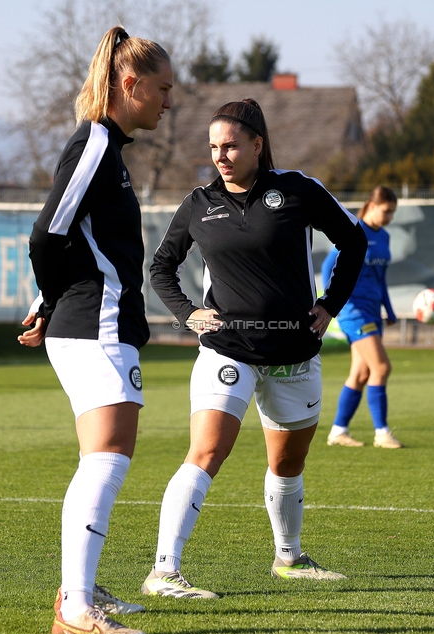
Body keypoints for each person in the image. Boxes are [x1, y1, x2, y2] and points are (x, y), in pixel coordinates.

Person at [144, 98, 367, 599]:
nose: (220, 156)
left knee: (288, 463)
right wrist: (188, 314)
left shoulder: (298, 190)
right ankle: (164, 571)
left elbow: (354, 242)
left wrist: (330, 305)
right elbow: (161, 267)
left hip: (294, 353)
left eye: (229, 146)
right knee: (206, 451)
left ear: (257, 145)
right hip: (227, 350)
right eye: (213, 148)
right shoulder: (199, 203)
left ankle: (288, 559)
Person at [17, 25, 173, 634]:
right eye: (162, 88)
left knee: (101, 457)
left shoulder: (112, 150)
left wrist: (44, 301)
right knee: (109, 457)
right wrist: (53, 300)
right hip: (95, 323)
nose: (168, 101)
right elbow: (47, 232)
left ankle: (79, 589)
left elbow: (75, 241)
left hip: (95, 321)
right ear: (129, 84)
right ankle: (76, 607)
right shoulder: (95, 145)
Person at [322, 186, 403, 449]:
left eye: (393, 212)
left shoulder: (386, 237)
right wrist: (330, 303)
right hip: (353, 311)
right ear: (371, 205)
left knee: (361, 373)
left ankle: (338, 431)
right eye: (386, 211)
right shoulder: (355, 231)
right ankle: (382, 433)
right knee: (381, 368)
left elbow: (381, 280)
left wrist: (388, 310)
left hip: (372, 312)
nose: (389, 216)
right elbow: (328, 266)